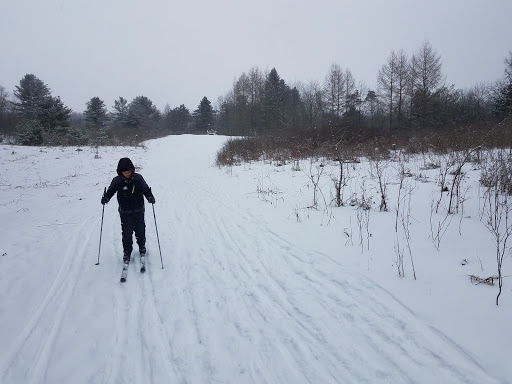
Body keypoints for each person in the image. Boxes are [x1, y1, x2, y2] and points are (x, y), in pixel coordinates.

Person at [101, 157, 155, 263]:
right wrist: (106, 197)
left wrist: (150, 197)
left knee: (140, 231)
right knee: (126, 233)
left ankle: (142, 248)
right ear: (120, 172)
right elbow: (111, 190)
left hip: (139, 210)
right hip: (125, 212)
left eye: (128, 171)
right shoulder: (117, 181)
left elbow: (145, 188)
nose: (127, 173)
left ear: (132, 170)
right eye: (124, 172)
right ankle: (127, 252)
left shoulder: (138, 178)